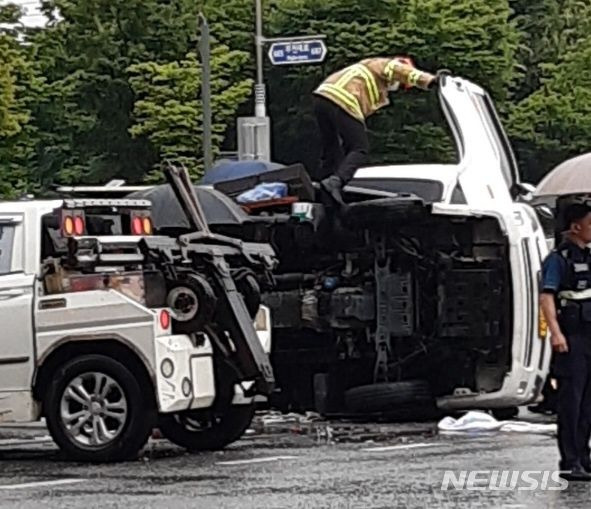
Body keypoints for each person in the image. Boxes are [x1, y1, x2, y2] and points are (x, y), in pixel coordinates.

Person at [313, 57, 438, 203]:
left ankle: (322, 187)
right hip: (344, 99)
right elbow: (399, 70)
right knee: (360, 148)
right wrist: (431, 80)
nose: (399, 86)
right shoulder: (383, 65)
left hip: (322, 97)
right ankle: (334, 182)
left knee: (332, 149)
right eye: (402, 83)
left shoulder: (368, 70)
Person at [540, 203, 591, 481]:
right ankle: (570, 461)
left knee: (588, 403)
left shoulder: (589, 256)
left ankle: (584, 457)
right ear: (575, 227)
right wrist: (556, 333)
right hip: (572, 339)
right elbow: (547, 297)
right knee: (572, 401)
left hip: (590, 337)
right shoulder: (558, 259)